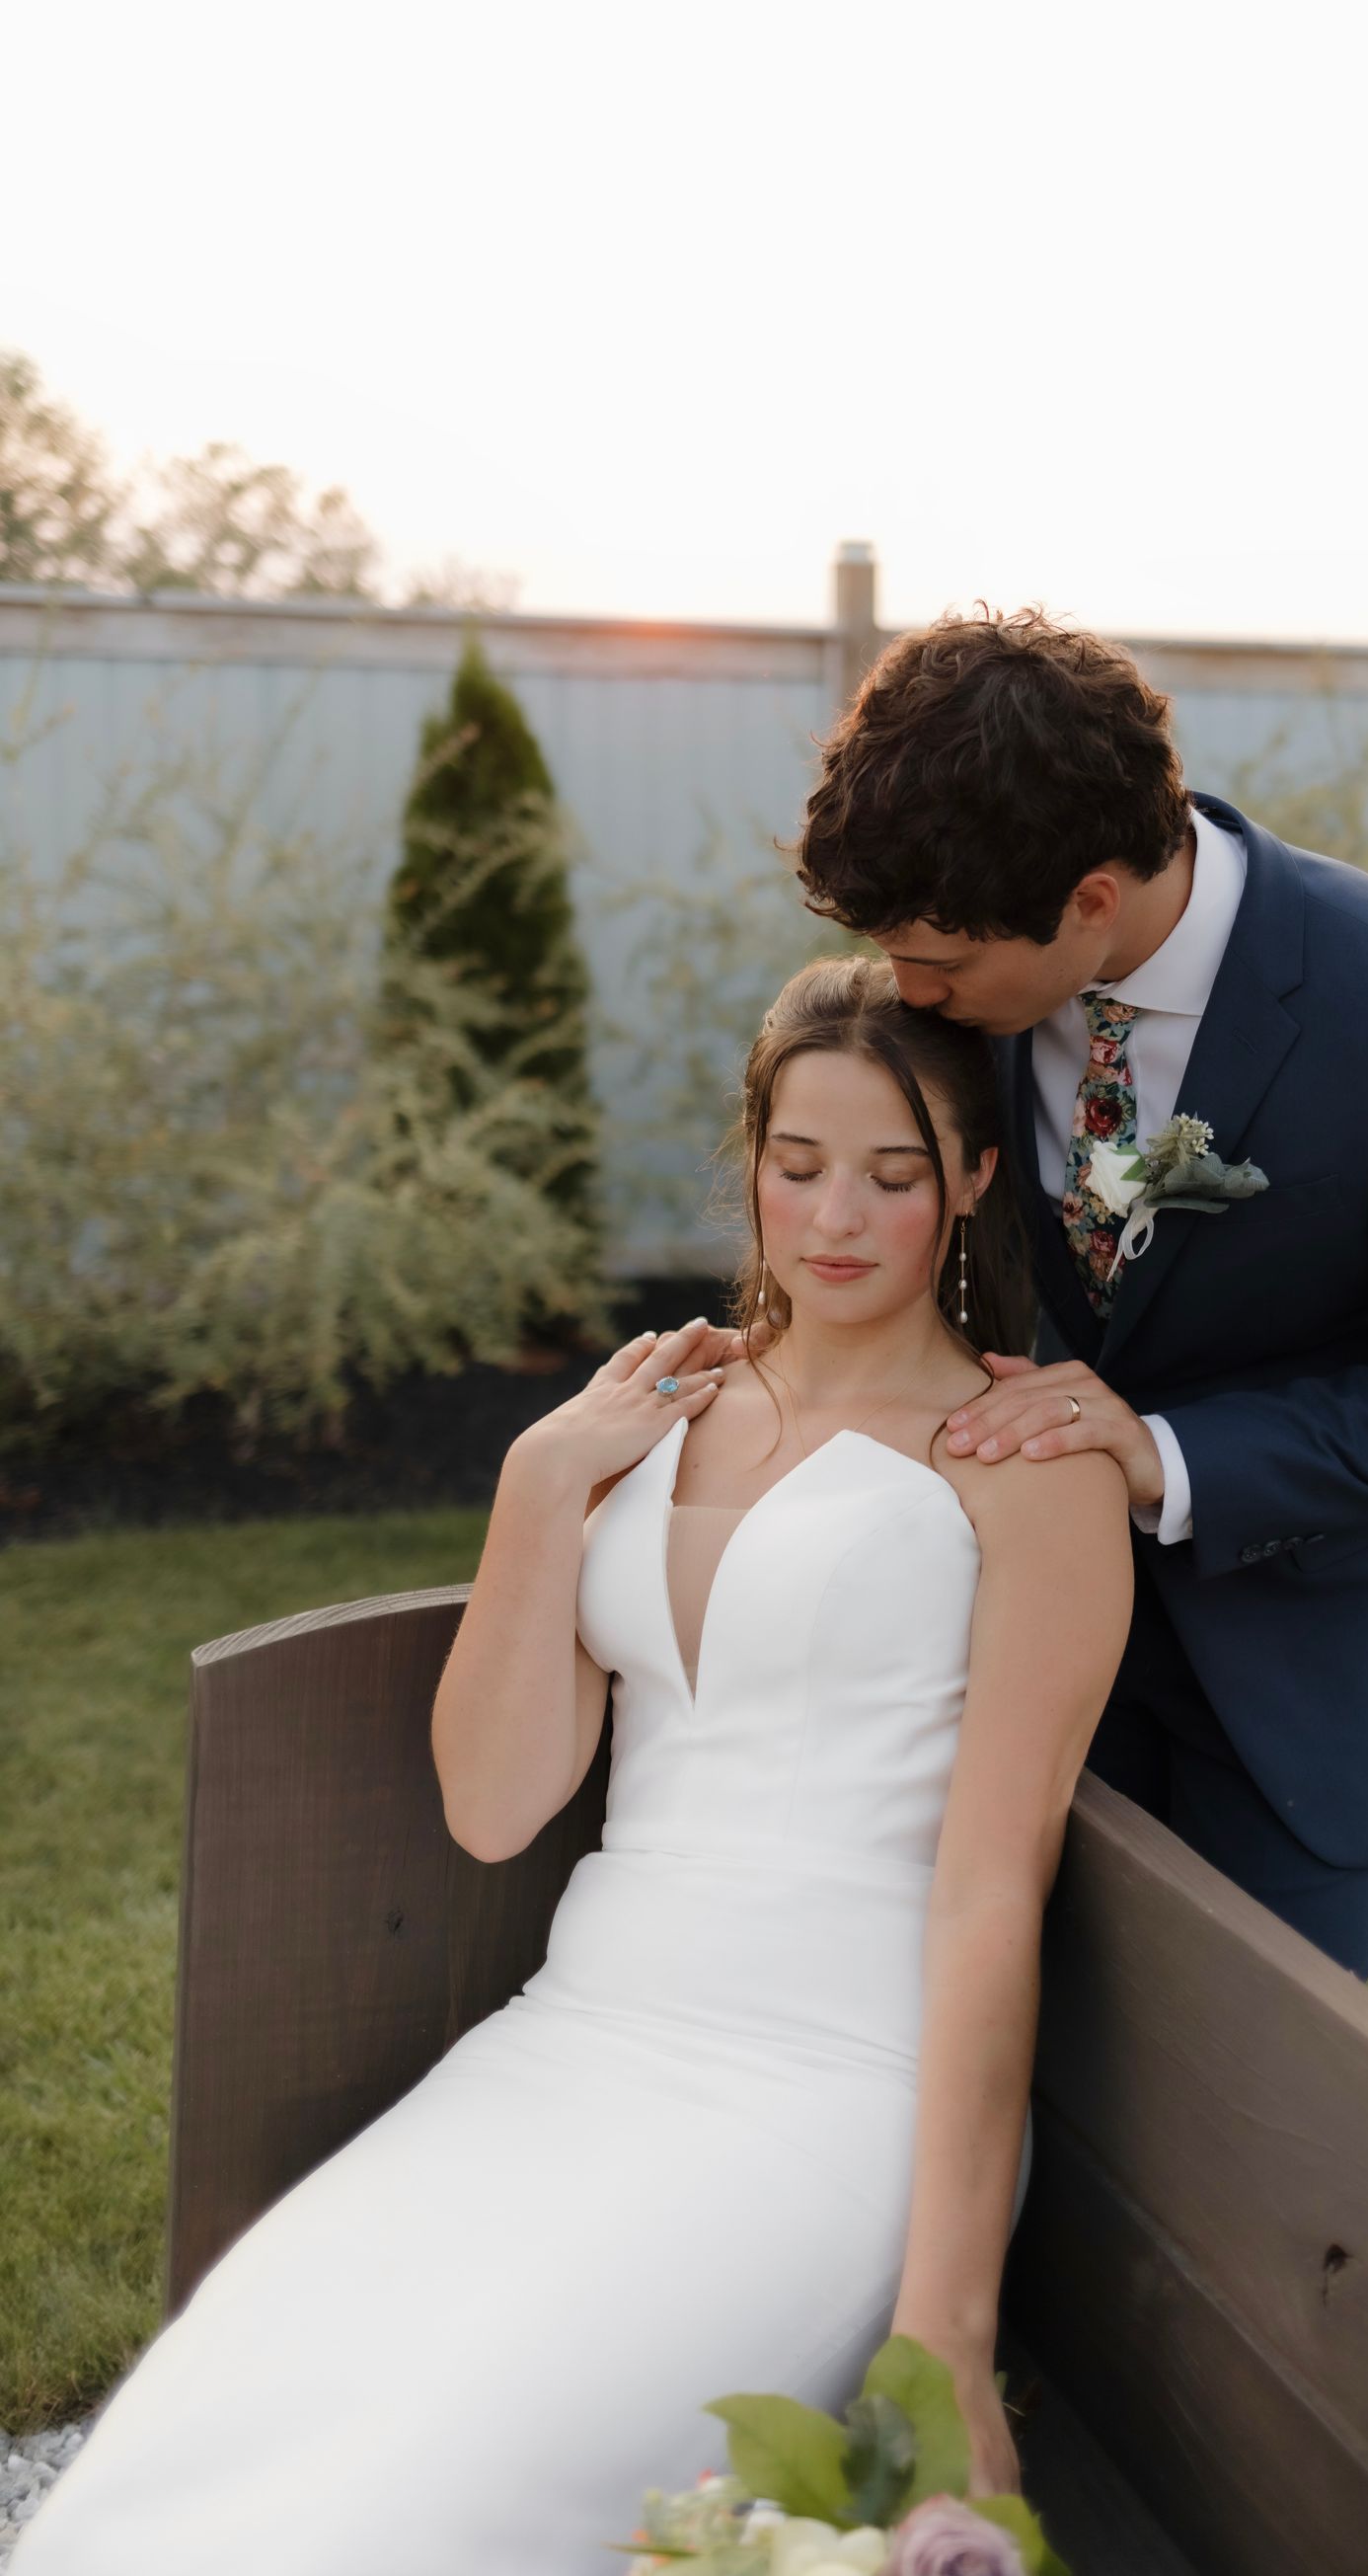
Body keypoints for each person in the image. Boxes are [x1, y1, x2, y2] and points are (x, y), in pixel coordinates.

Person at [18, 959, 1134, 2576]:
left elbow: (988, 1892)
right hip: (576, 2042)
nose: (835, 1218)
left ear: (969, 1185)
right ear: (750, 1158)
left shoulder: (1021, 1463)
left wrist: (946, 2333)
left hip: (834, 2084)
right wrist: (541, 1485)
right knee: (236, 2399)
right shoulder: (655, 1417)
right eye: (798, 1165)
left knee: (456, 2474)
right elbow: (492, 1804)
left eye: (894, 1177)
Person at [797, 607, 1368, 1981]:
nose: (908, 992)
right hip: (996, 1658)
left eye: (945, 964)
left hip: (1290, 1700)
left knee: (1248, 2145)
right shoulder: (962, 998)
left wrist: (1163, 1458)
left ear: (1091, 899)